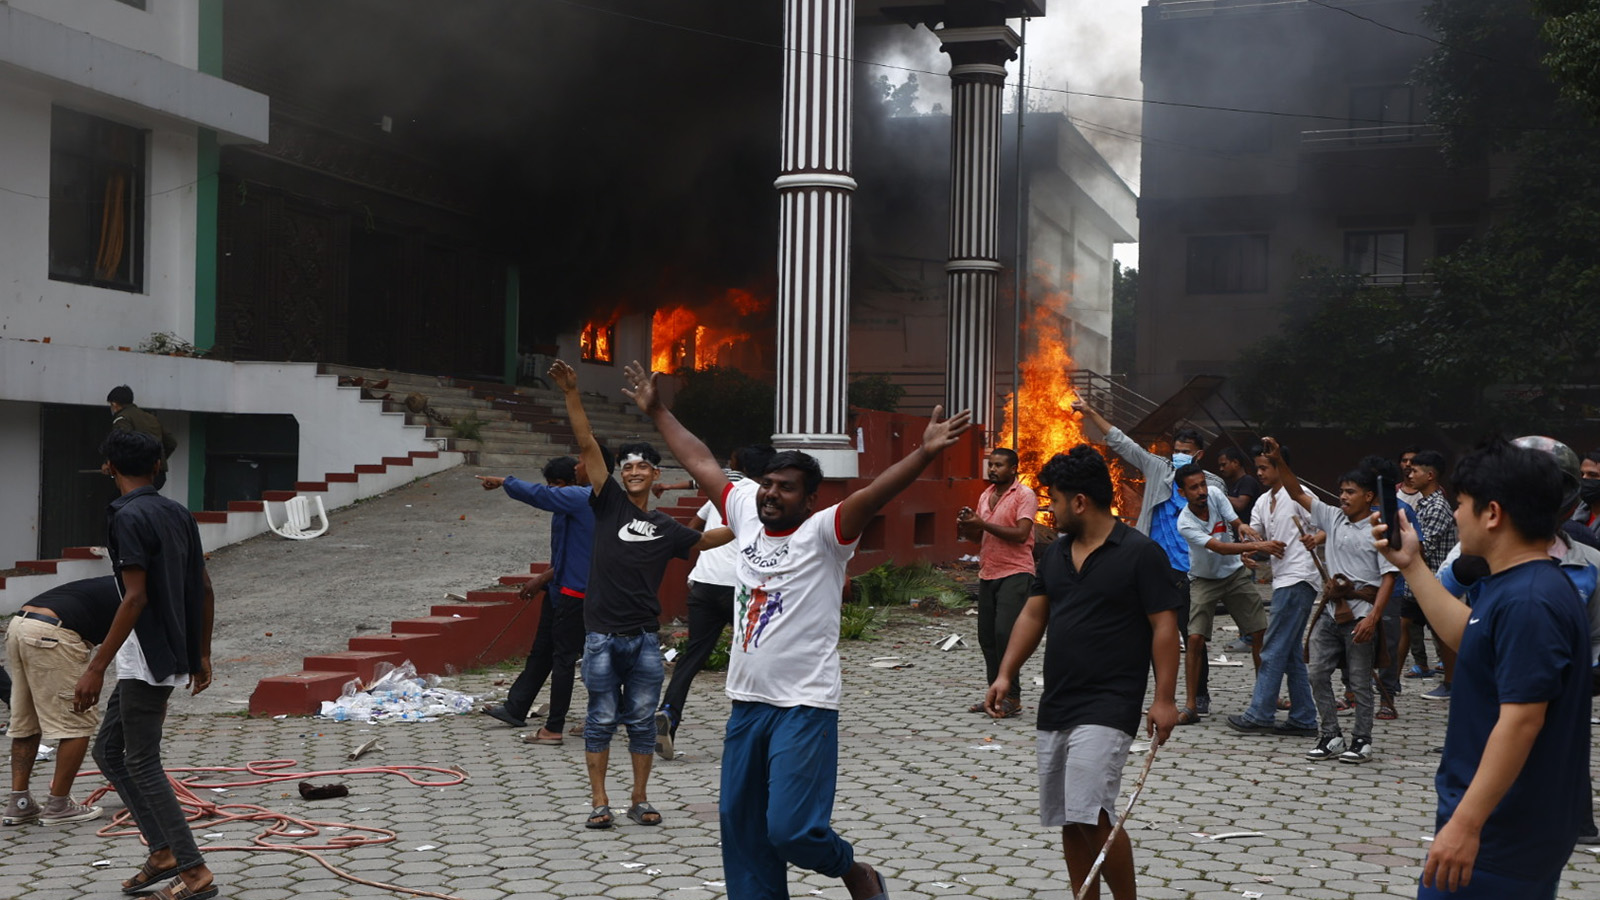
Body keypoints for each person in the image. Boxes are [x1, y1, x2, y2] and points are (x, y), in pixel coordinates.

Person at [625, 358, 971, 900]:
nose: (771, 494)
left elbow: (875, 493)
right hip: (746, 703)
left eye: (786, 488)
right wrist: (659, 411)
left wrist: (925, 451)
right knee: (742, 832)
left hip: (804, 707)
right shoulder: (743, 512)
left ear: (809, 497)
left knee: (789, 829)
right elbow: (699, 461)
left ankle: (854, 871)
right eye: (768, 484)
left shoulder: (824, 534)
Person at [1374, 439, 1591, 898]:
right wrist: (1411, 564)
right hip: (1505, 825)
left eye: (1462, 504)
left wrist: (1466, 825)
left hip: (1501, 831)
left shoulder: (1529, 601)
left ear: (1492, 513)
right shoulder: (1521, 584)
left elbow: (1522, 719)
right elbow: (1471, 641)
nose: (1455, 515)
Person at [986, 446, 1183, 900]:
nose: (1049, 511)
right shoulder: (1054, 555)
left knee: (1092, 812)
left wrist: (1165, 698)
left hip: (1110, 702)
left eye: (1053, 500)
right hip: (1057, 701)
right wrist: (1004, 674)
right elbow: (1034, 616)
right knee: (1068, 818)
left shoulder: (1139, 552)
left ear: (1079, 502)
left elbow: (1164, 626)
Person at [548, 360, 731, 831]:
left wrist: (754, 522)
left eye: (641, 466)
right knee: (600, 718)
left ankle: (639, 799)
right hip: (602, 637)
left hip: (645, 640)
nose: (632, 471)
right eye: (626, 466)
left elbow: (710, 539)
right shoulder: (605, 501)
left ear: (655, 475)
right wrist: (572, 391)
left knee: (643, 722)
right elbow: (588, 444)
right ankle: (599, 802)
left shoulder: (667, 528)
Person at [79, 430, 217, 900]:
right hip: (167, 649)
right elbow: (205, 586)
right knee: (107, 752)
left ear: (108, 468)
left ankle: (194, 871)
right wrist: (202, 653)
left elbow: (134, 597)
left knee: (141, 761)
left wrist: (96, 666)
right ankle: (162, 853)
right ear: (158, 467)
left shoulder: (127, 516)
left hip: (148, 655)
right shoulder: (176, 511)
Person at [1073, 401, 1224, 715]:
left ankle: (1200, 694)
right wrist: (1090, 412)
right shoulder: (1158, 468)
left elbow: (1222, 524)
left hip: (1191, 571)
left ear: (1198, 455)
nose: (1178, 457)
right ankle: (1154, 694)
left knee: (1192, 636)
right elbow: (1121, 442)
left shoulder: (1211, 484)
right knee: (1145, 632)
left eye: (1186, 452)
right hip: (1152, 567)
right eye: (1176, 451)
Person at [1261, 437, 1395, 764]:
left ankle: (1361, 739)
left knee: (1361, 682)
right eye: (1342, 491)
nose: (1344, 497)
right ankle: (1330, 734)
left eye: (1351, 492)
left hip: (1361, 613)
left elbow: (1390, 576)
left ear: (1369, 496)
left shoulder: (1379, 528)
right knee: (1316, 673)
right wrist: (1279, 460)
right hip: (1331, 613)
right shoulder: (1333, 517)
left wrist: (1373, 618)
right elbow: (1296, 492)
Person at [655, 444, 774, 759]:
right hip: (740, 588)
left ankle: (668, 712)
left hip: (704, 583)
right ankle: (756, 728)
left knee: (692, 658)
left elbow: (692, 531)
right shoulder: (765, 497)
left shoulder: (723, 493)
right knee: (756, 654)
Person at [475, 453, 599, 745]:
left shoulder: (582, 500)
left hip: (576, 593)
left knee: (576, 659)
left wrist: (506, 481)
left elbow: (581, 557)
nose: (553, 491)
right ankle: (516, 706)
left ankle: (566, 723)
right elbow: (565, 554)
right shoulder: (565, 506)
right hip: (559, 589)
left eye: (557, 484)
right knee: (543, 650)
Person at [4, 576, 121, 826]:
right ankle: (58, 805)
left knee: (27, 720)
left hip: (19, 626)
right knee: (77, 719)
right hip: (54, 634)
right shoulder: (141, 591)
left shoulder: (116, 581)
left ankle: (19, 803)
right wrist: (97, 670)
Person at [1227, 443, 1325, 737]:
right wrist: (1247, 549)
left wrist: (1315, 539)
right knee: (1291, 652)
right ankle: (1304, 718)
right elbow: (1256, 537)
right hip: (1282, 580)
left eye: (1264, 467)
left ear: (1281, 466)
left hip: (1300, 578)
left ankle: (1260, 713)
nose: (1259, 473)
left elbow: (1329, 524)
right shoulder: (1262, 501)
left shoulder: (1300, 495)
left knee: (1272, 649)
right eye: (1257, 468)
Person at [1172, 464, 1276, 725]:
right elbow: (1218, 547)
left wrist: (1245, 530)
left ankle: (1266, 698)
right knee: (1194, 638)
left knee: (1259, 632)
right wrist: (1258, 545)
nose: (1201, 491)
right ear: (1182, 493)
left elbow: (1236, 522)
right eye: (1193, 487)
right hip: (1203, 580)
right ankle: (1191, 705)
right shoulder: (1185, 522)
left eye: (1202, 485)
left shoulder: (1217, 495)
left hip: (1234, 574)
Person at [957, 447, 1039, 719]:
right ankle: (994, 694)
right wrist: (967, 525)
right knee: (987, 638)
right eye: (991, 465)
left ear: (1013, 468)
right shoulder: (985, 495)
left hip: (1016, 572)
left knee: (1006, 635)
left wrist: (982, 523)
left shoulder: (1024, 495)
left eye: (1000, 465)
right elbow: (976, 539)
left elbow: (1020, 534)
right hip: (988, 572)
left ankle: (1012, 697)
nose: (993, 469)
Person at [1398, 451, 1455, 691]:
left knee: (1443, 635)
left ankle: (1451, 682)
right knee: (1402, 625)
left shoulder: (1437, 507)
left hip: (1433, 582)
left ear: (1430, 476)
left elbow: (1424, 549)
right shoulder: (1422, 503)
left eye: (1415, 471)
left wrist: (1399, 539)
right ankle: (1391, 683)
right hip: (1415, 581)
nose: (1409, 475)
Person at [107, 386, 178, 492]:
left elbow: (121, 444)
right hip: (157, 474)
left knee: (118, 502)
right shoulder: (151, 417)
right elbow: (171, 442)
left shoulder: (122, 418)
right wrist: (157, 460)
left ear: (114, 404)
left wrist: (109, 463)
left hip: (135, 474)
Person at [1217, 446, 1263, 526]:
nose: (1221, 469)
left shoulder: (1247, 481)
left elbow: (1240, 504)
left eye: (1224, 465)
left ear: (1235, 462)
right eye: (1220, 466)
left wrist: (1219, 495)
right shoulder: (1232, 485)